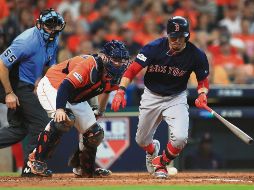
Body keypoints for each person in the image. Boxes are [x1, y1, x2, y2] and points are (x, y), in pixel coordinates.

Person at [111, 16, 210, 179]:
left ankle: (161, 163)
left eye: (180, 37)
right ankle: (152, 151)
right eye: (173, 36)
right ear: (168, 35)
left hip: (175, 98)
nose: (176, 40)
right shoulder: (154, 47)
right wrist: (121, 90)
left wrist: (202, 94)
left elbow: (203, 80)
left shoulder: (196, 55)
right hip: (152, 96)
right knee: (141, 141)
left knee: (180, 138)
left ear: (187, 36)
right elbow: (131, 70)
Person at [27, 40, 130, 177]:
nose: (119, 64)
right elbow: (66, 86)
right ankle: (35, 160)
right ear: (105, 57)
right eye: (116, 59)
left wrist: (100, 110)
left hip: (75, 96)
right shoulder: (90, 64)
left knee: (95, 134)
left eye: (122, 60)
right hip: (53, 84)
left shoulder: (115, 75)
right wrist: (60, 109)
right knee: (64, 119)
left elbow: (106, 91)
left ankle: (84, 169)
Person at [0, 8, 65, 177]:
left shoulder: (54, 40)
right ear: (39, 25)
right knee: (41, 123)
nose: (52, 31)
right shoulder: (26, 40)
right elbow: (1, 64)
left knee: (19, 129)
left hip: (27, 85)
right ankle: (31, 167)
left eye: (56, 27)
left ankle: (31, 166)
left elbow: (51, 67)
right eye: (48, 27)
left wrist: (40, 85)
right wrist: (9, 92)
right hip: (14, 83)